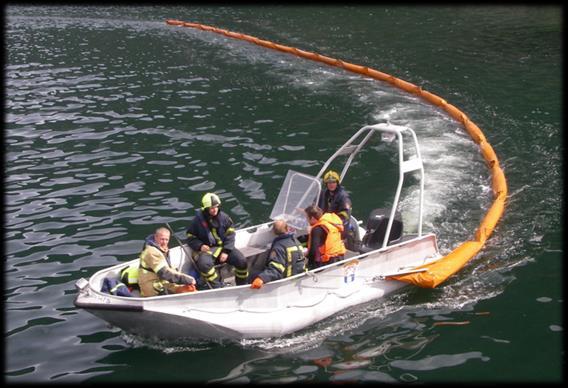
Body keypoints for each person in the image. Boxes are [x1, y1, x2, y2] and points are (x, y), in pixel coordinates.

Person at [186, 192, 248, 288]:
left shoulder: (224, 218)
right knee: (204, 264)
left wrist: (226, 251)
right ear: (205, 209)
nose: (215, 209)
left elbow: (230, 234)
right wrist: (200, 246)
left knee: (241, 261)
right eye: (211, 208)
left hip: (224, 248)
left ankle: (242, 285)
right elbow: (190, 237)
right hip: (208, 250)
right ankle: (217, 287)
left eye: (216, 206)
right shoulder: (197, 221)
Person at [138, 227, 197, 297]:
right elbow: (164, 273)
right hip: (151, 286)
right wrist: (186, 279)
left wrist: (181, 286)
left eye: (167, 240)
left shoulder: (162, 249)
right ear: (155, 237)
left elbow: (168, 270)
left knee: (187, 289)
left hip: (162, 282)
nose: (164, 242)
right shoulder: (151, 252)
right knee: (182, 293)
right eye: (162, 239)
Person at [250, 219, 306, 289]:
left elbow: (276, 268)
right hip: (298, 277)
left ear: (273, 232)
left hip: (286, 281)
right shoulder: (296, 241)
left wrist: (261, 278)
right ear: (287, 228)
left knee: (253, 274)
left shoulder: (279, 246)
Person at [317, 170, 352, 234]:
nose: (331, 184)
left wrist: (329, 222)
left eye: (333, 182)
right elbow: (315, 206)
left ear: (337, 183)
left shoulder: (344, 197)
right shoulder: (323, 193)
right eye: (329, 182)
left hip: (337, 228)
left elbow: (345, 216)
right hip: (323, 223)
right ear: (326, 184)